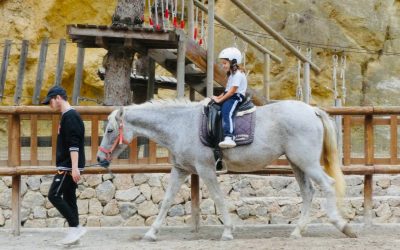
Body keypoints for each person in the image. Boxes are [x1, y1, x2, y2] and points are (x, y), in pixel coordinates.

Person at [42, 85, 87, 245]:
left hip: (68, 167)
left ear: (58, 98)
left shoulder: (70, 116)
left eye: (50, 101)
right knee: (69, 198)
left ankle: (76, 227)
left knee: (53, 195)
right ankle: (74, 235)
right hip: (68, 165)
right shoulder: (66, 116)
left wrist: (74, 167)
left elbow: (74, 144)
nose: (49, 105)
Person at [213, 47, 247, 148]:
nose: (223, 66)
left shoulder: (238, 74)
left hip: (237, 97)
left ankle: (229, 137)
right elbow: (226, 91)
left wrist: (220, 100)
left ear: (233, 62)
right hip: (231, 95)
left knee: (227, 111)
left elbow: (232, 92)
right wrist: (217, 97)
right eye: (222, 63)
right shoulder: (232, 75)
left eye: (225, 63)